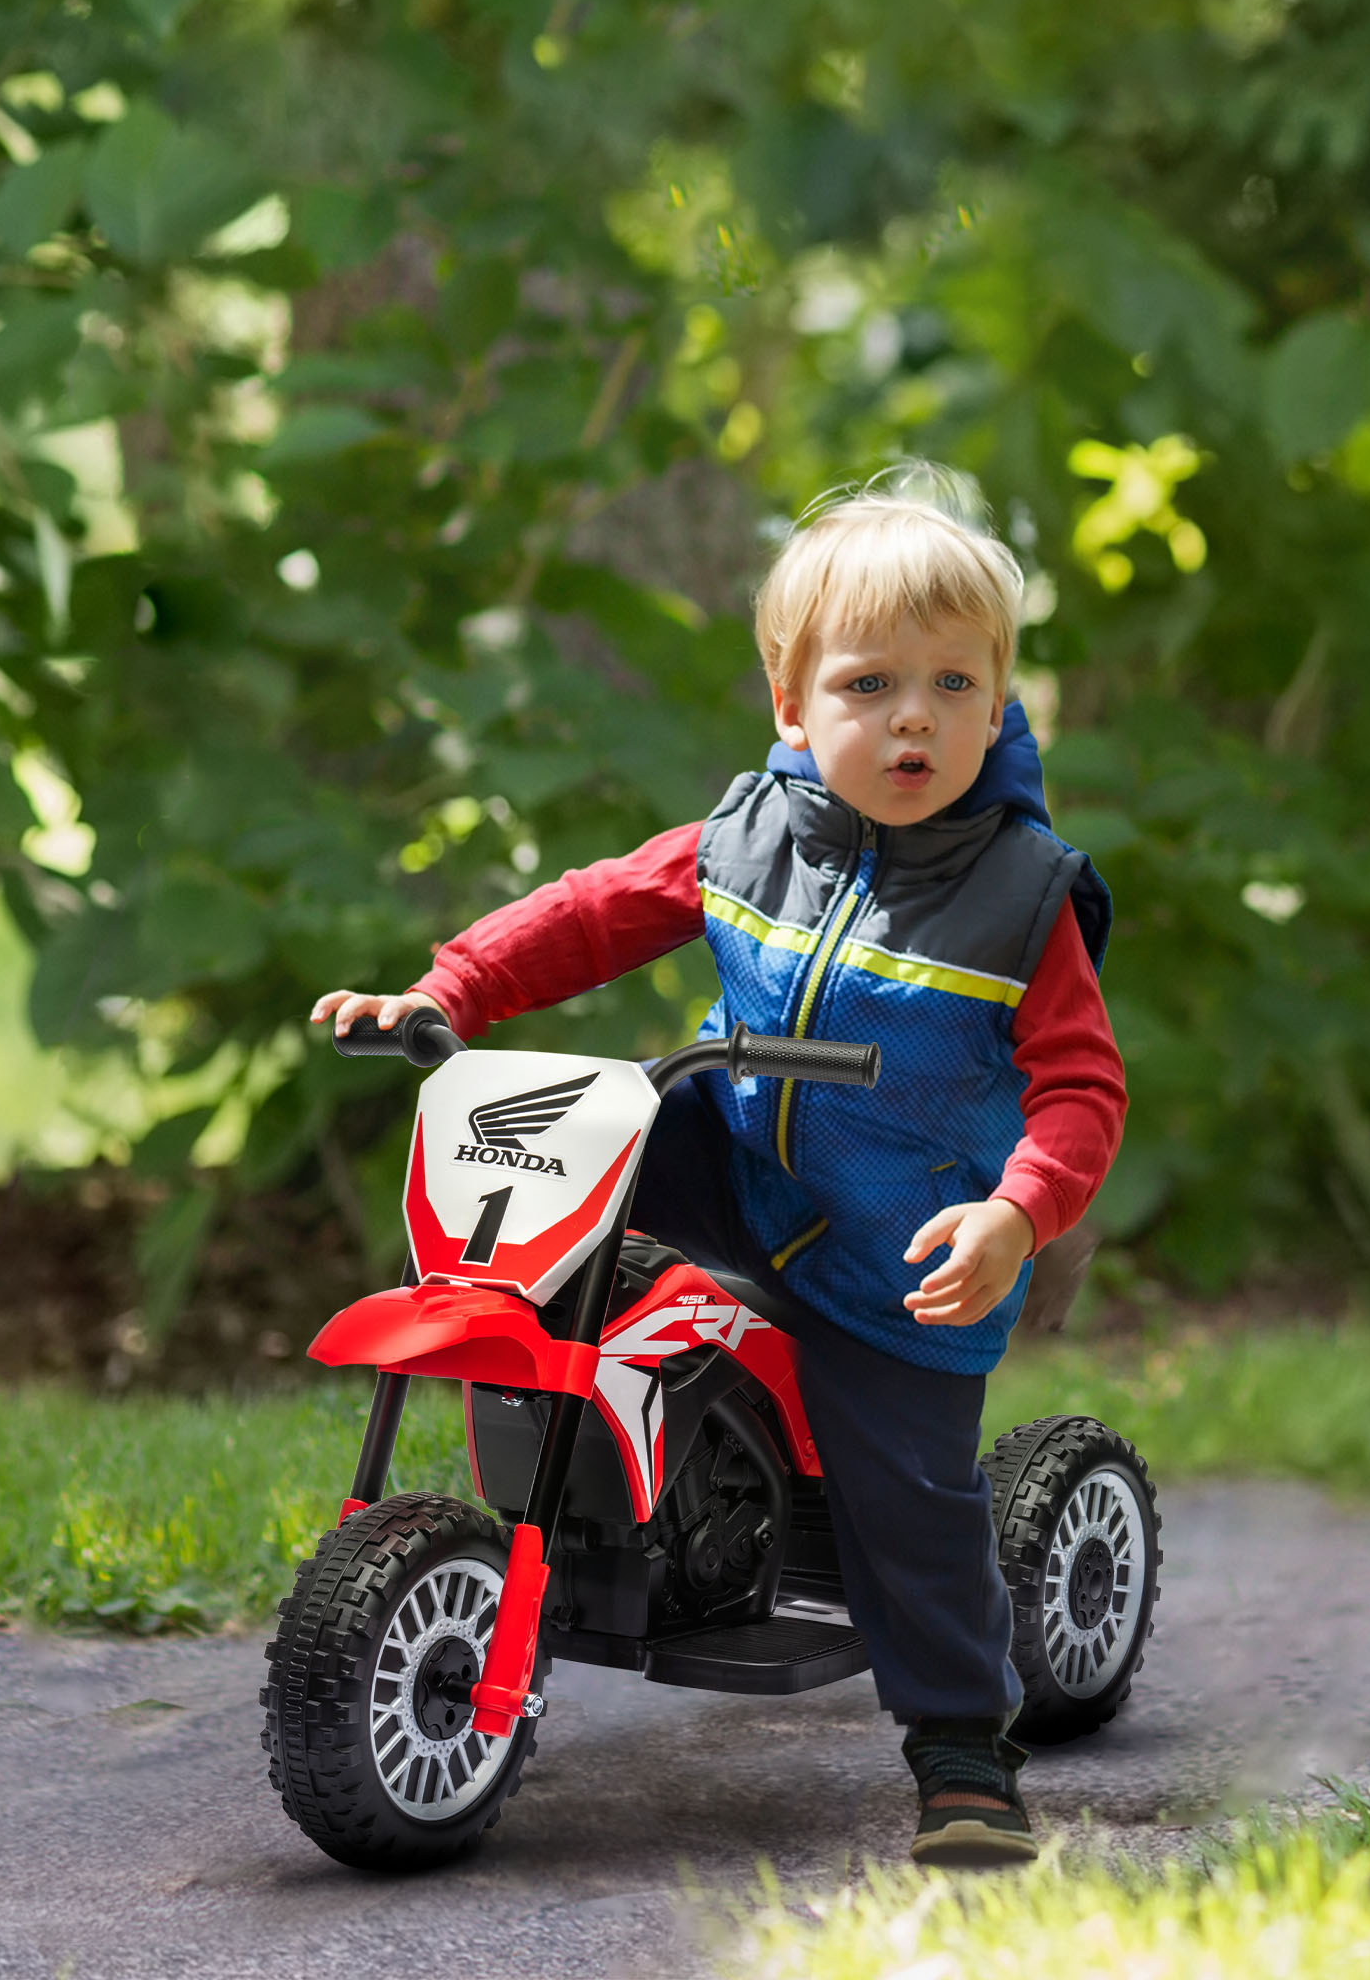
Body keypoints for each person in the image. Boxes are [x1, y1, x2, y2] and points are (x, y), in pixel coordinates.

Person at [311, 466, 1126, 1865]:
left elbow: (1081, 1088)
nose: (912, 717)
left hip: (898, 1246)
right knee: (565, 1184)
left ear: (997, 708)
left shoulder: (1020, 896)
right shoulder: (748, 835)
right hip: (734, 1154)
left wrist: (1015, 1211)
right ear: (792, 706)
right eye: (869, 685)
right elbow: (589, 915)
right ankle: (573, 1499)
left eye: (952, 685)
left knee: (908, 1501)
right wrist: (449, 992)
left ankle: (961, 1755)